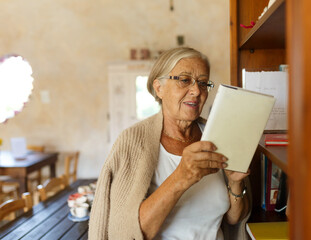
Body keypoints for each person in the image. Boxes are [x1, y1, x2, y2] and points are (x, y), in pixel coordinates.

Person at [89, 47, 251, 240]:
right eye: (184, 80)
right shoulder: (132, 141)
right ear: (159, 88)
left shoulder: (217, 136)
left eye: (202, 82)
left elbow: (233, 219)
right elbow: (127, 232)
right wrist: (181, 176)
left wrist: (235, 183)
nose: (196, 90)